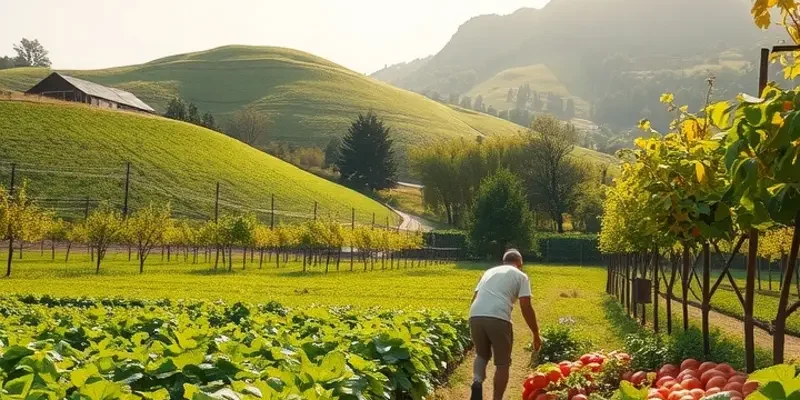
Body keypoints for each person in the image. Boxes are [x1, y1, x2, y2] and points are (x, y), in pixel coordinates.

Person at [469, 249, 541, 400]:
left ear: (504, 262)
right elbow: (525, 306)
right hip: (498, 317)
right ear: (520, 263)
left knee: (481, 354)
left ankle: (476, 382)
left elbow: (475, 297)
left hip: (475, 314)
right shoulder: (521, 276)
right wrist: (535, 333)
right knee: (502, 363)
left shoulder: (488, 272)